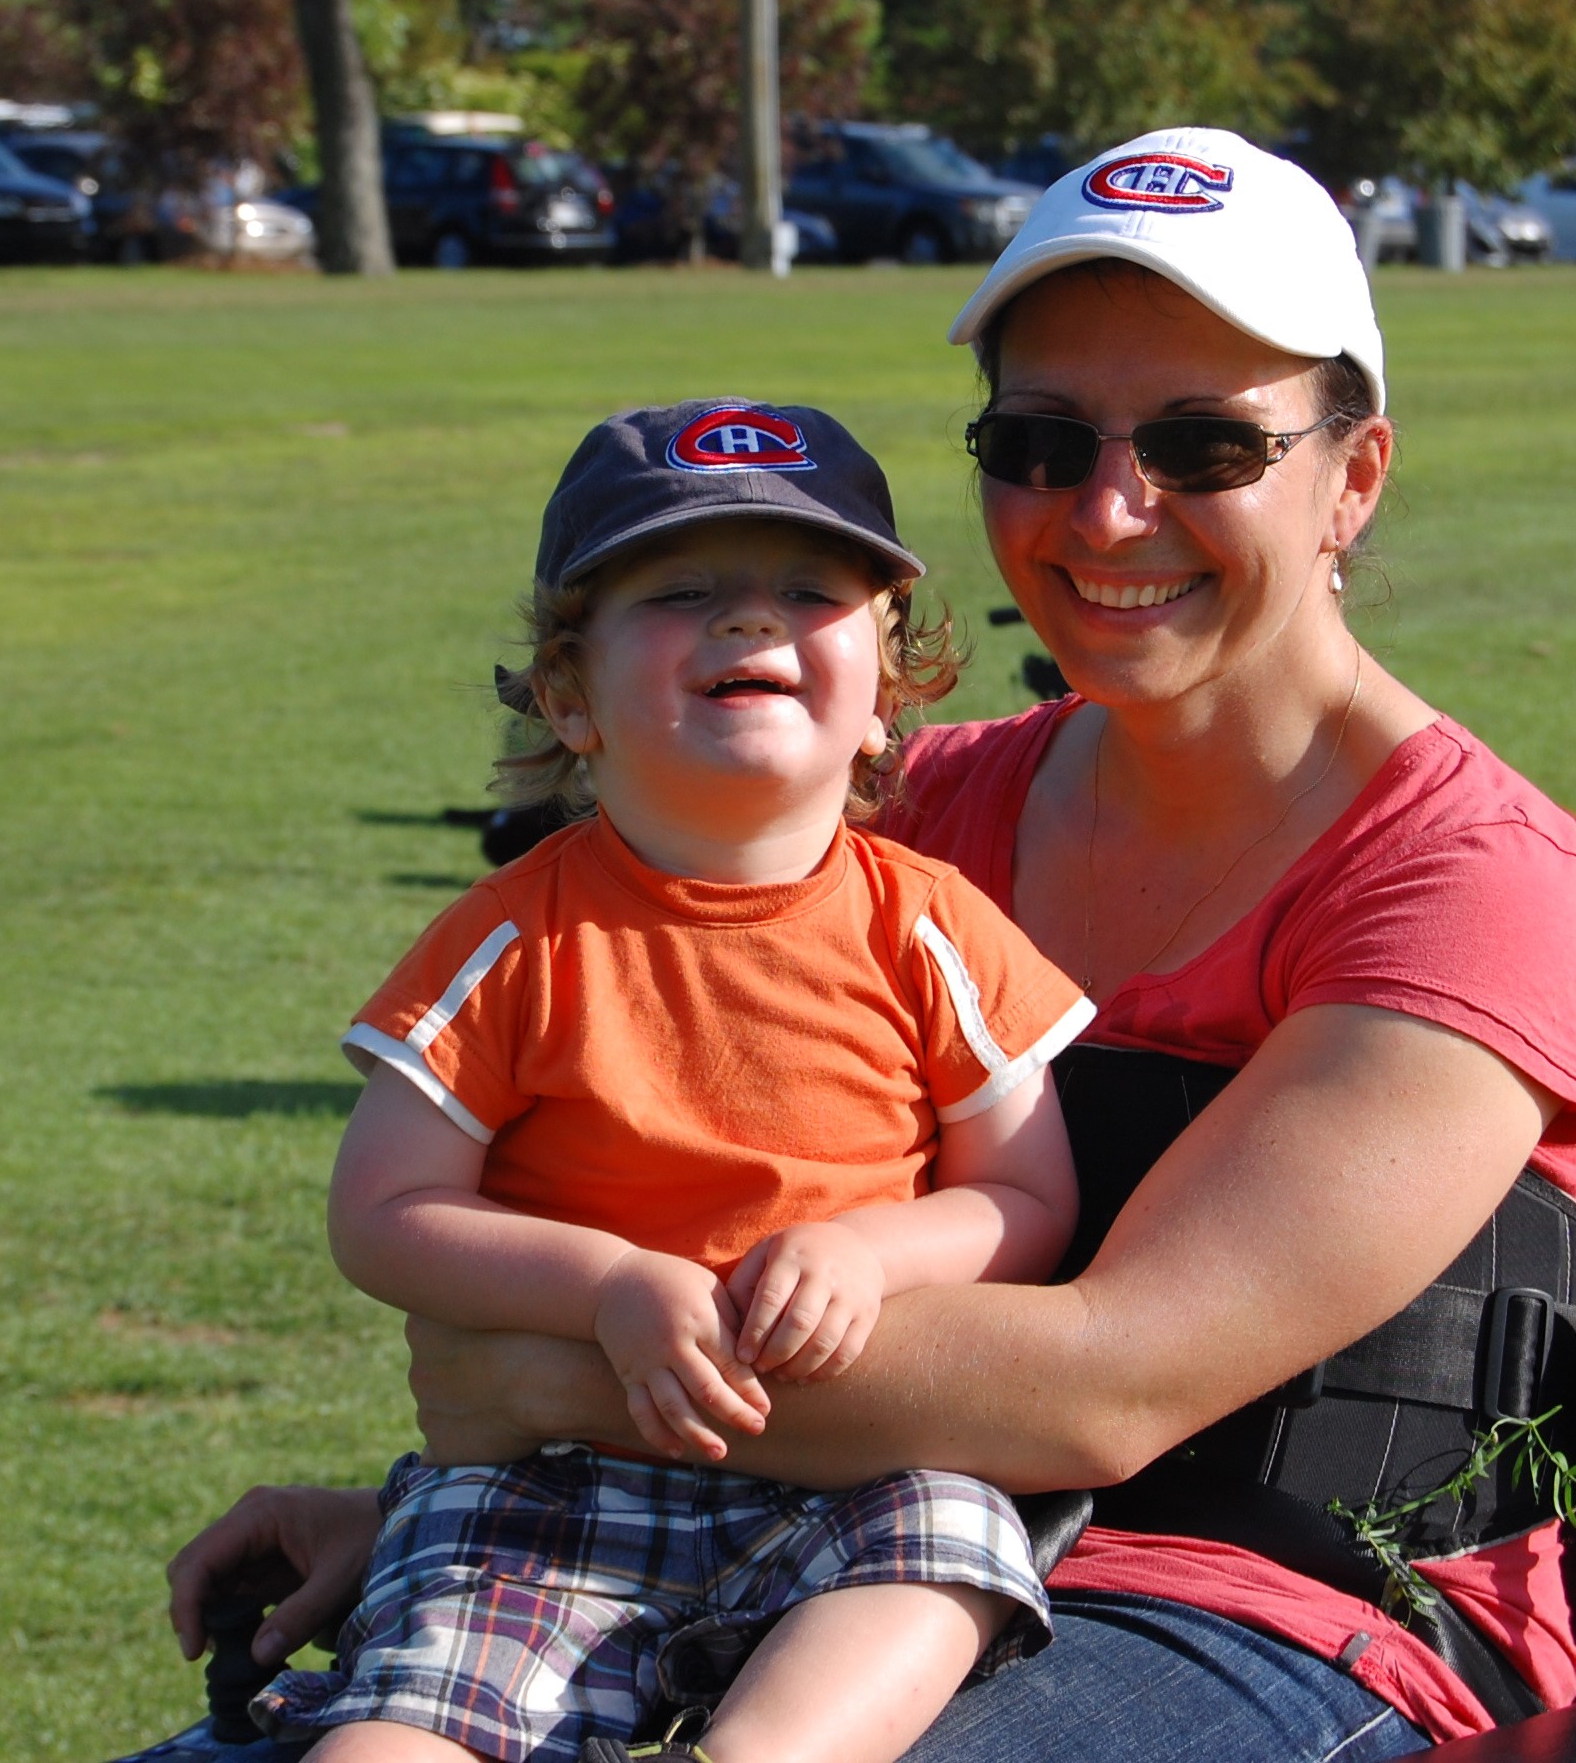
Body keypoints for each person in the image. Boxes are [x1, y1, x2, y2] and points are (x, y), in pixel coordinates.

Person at [146, 127, 1576, 1763]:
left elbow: (1105, 1388)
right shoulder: (895, 820)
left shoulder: (1464, 883)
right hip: (783, 1524)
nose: (1111, 507)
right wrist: (461, 1513)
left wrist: (556, 1387)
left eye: (1209, 445)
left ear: (1352, 478)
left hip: (1279, 1606)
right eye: (1042, 439)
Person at [246, 400, 1095, 1763]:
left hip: (849, 1467)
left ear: (889, 690)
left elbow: (1026, 1192)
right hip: (547, 1486)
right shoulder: (518, 933)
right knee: (385, 1745)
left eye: (810, 593)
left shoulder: (931, 925)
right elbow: (384, 1210)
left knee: (953, 1538)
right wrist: (609, 1285)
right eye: (684, 591)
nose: (750, 624)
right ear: (570, 694)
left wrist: (871, 1252)